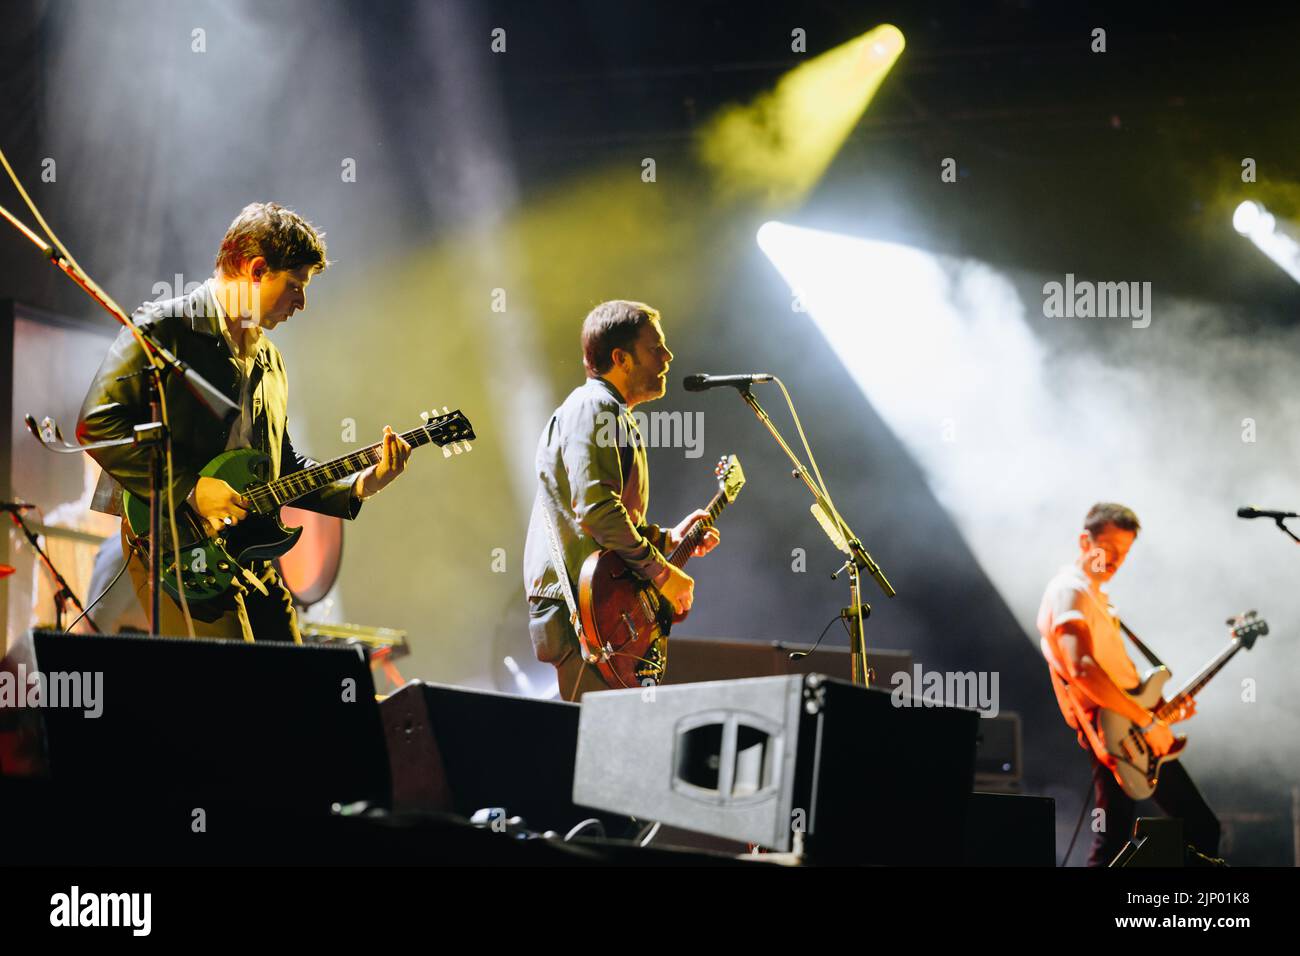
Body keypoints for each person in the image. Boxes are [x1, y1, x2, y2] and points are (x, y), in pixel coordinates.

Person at [76, 202, 411, 642]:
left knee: (298, 689)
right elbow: (97, 425)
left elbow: (282, 466)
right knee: (238, 693)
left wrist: (363, 483)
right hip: (175, 546)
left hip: (250, 553)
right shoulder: (164, 328)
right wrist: (192, 490)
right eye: (295, 285)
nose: (302, 303)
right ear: (255, 269)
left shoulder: (271, 361)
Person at [522, 300, 720, 701]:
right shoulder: (594, 406)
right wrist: (662, 573)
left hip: (596, 605)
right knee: (592, 746)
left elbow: (602, 514)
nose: (668, 357)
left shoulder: (609, 411)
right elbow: (596, 511)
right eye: (655, 348)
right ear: (621, 358)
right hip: (580, 610)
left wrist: (666, 540)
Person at [1036, 502, 1220, 865]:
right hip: (1116, 730)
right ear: (1084, 541)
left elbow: (1115, 678)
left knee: (1122, 839)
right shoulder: (1069, 591)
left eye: (1125, 553)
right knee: (1192, 829)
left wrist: (1160, 711)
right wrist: (1148, 720)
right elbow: (1082, 668)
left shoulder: (1096, 599)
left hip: (1131, 726)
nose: (1117, 561)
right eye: (1110, 550)